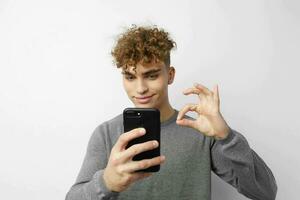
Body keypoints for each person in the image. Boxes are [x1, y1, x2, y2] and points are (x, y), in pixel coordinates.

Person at [65, 25, 277, 200]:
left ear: (170, 75)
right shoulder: (106, 134)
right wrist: (106, 182)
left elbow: (266, 192)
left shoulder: (202, 132)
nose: (140, 89)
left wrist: (226, 137)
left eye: (151, 75)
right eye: (130, 77)